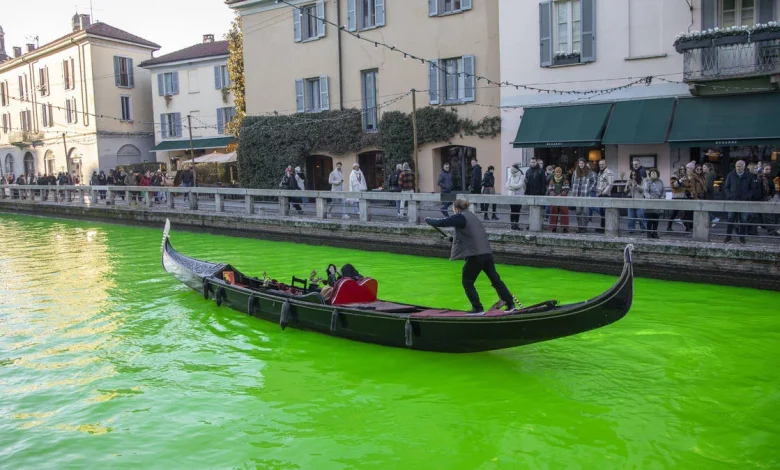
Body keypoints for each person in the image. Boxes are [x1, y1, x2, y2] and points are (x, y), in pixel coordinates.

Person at [425, 200, 519, 316]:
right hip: (487, 254)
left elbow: (443, 222)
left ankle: (477, 308)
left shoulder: (460, 217)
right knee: (496, 280)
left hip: (476, 256)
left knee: (467, 281)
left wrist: (429, 220)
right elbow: (470, 236)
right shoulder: (472, 217)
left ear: (456, 208)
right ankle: (510, 305)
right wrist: (451, 239)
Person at [723, 160, 759, 244]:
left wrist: (747, 196)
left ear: (744, 167)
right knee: (730, 219)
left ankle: (742, 238)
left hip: (744, 201)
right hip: (733, 201)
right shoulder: (730, 175)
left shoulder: (749, 176)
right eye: (737, 166)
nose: (738, 168)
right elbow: (726, 187)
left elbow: (752, 188)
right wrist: (730, 196)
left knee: (744, 219)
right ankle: (728, 237)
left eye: (740, 166)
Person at [643, 168, 665, 239]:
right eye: (652, 173)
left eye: (654, 173)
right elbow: (645, 192)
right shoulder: (648, 182)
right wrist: (650, 197)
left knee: (656, 218)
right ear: (650, 175)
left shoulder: (660, 182)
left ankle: (654, 233)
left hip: (658, 203)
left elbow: (663, 191)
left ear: (657, 174)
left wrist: (662, 197)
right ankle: (648, 233)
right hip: (650, 203)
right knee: (650, 219)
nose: (653, 174)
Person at [506, 164, 525, 231]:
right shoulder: (511, 175)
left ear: (515, 169)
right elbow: (507, 185)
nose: (511, 170)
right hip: (511, 195)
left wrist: (511, 186)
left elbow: (519, 185)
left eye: (512, 168)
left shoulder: (521, 175)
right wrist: (513, 187)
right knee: (512, 210)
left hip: (519, 195)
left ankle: (516, 225)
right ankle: (512, 225)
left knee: (517, 211)